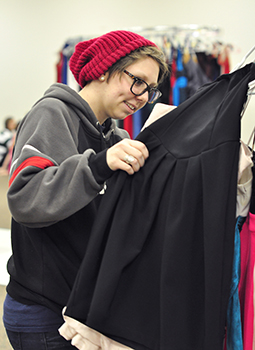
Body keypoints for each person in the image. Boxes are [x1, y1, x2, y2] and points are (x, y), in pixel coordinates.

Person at [3, 30, 169, 349]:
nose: (143, 97)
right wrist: (98, 166)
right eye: (137, 81)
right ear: (105, 68)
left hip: (79, 310)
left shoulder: (113, 136)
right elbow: (25, 198)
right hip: (43, 312)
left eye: (150, 90)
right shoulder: (53, 113)